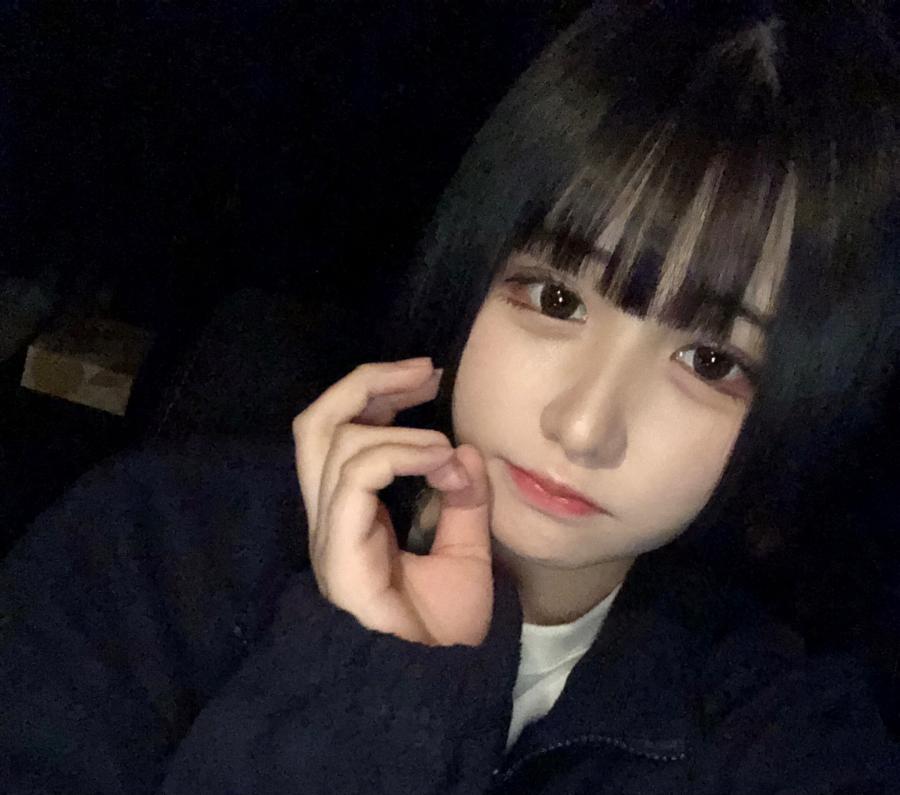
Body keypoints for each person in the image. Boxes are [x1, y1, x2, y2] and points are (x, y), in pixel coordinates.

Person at [2, 1, 899, 792]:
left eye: (708, 360)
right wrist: (366, 688)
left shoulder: (787, 743)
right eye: (556, 299)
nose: (584, 424)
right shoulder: (148, 558)